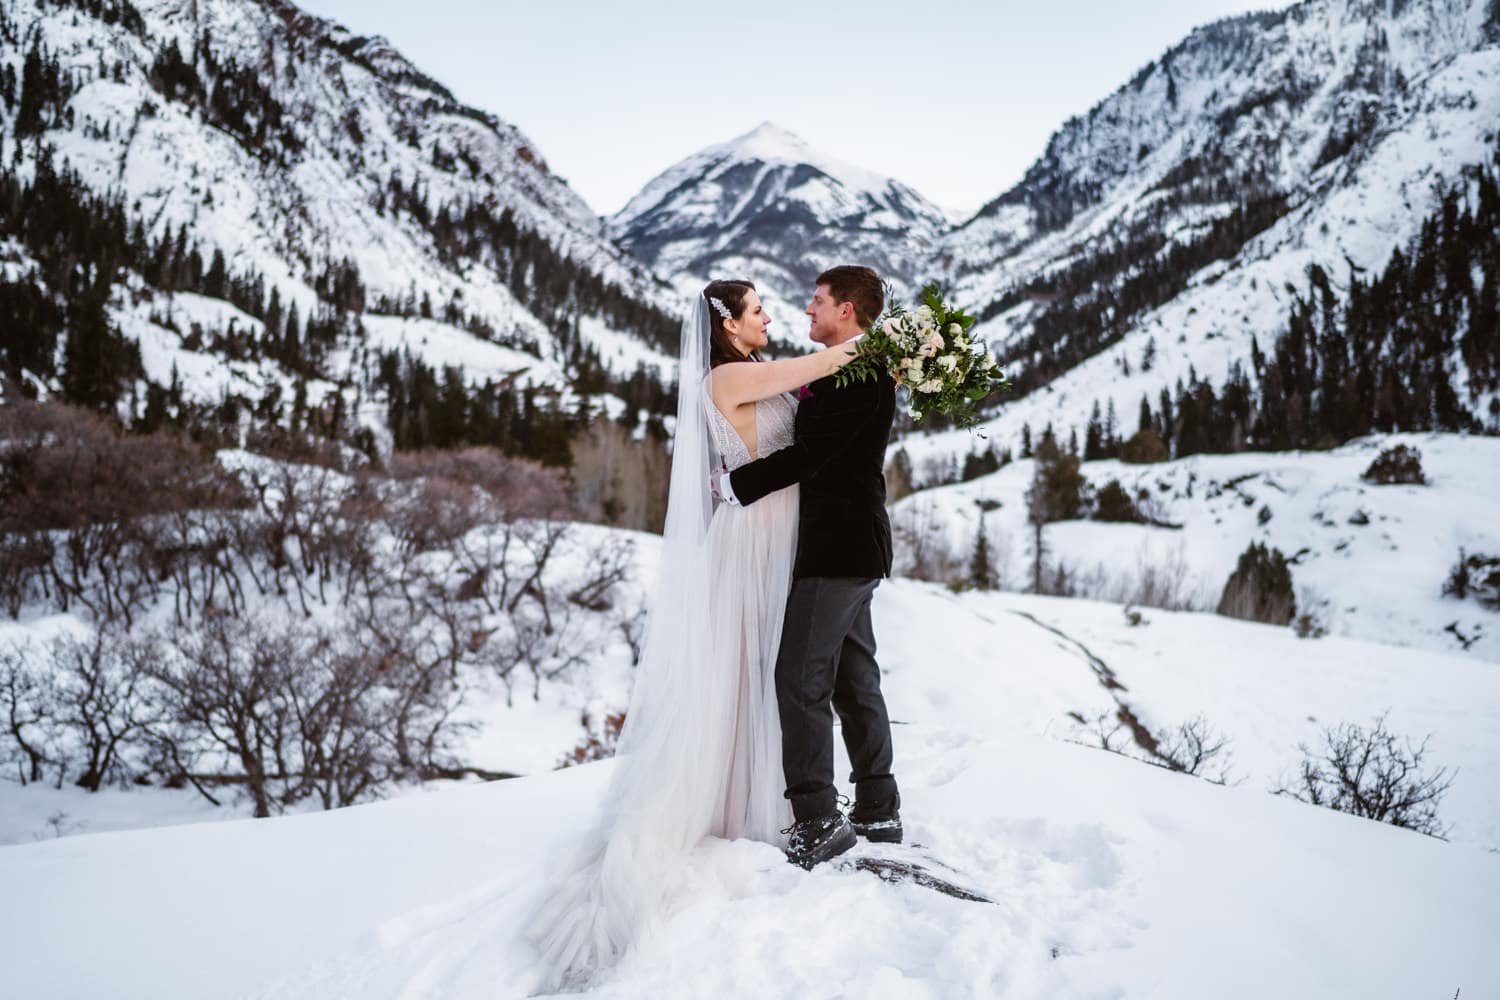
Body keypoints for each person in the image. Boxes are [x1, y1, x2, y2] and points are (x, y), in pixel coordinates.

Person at [528, 279, 855, 991]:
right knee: (752, 664)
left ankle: (768, 794)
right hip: (754, 544)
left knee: (772, 664)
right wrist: (890, 342)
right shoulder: (729, 374)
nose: (769, 317)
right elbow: (819, 367)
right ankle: (743, 804)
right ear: (730, 325)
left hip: (776, 535)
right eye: (759, 309)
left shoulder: (745, 369)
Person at [717, 264, 902, 869]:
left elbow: (812, 454)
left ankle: (818, 817)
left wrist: (736, 486)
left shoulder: (863, 373)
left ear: (846, 310)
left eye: (817, 301)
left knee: (798, 679)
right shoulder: (852, 367)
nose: (805, 310)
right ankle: (878, 806)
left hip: (838, 547)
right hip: (848, 546)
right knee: (853, 679)